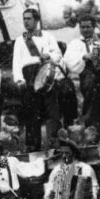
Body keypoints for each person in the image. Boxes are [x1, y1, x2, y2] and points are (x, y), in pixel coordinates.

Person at [12, 8, 62, 151]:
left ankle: (55, 142)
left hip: (46, 73)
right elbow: (16, 62)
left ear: (36, 20)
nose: (26, 22)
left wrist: (49, 56)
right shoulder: (20, 40)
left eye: (29, 18)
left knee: (52, 111)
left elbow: (58, 55)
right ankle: (33, 145)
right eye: (24, 19)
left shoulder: (48, 36)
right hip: (29, 75)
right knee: (32, 112)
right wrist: (19, 79)